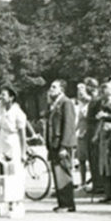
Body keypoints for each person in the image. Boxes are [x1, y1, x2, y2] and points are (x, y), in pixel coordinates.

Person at [0, 84, 27, 218]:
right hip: (2, 141)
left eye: (4, 95)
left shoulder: (18, 112)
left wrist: (24, 152)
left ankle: (17, 203)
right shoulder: (1, 108)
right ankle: (5, 203)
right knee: (2, 172)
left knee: (15, 173)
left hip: (13, 142)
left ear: (11, 97)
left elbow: (22, 134)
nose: (1, 97)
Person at [45, 79, 77, 213]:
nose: (51, 89)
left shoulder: (66, 103)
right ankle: (62, 202)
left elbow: (69, 125)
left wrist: (64, 146)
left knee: (63, 173)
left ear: (61, 89)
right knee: (57, 174)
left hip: (61, 144)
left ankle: (68, 203)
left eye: (54, 87)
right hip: (54, 144)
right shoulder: (54, 103)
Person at [84, 77, 104, 194]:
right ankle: (96, 183)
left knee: (96, 158)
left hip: (95, 131)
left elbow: (100, 120)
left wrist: (96, 134)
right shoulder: (92, 100)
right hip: (89, 130)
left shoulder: (98, 101)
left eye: (88, 86)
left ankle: (99, 184)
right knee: (91, 159)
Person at [74, 83, 91, 191]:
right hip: (81, 134)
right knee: (81, 160)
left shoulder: (90, 104)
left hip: (89, 134)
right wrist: (73, 131)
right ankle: (83, 181)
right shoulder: (80, 105)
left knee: (90, 159)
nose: (80, 95)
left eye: (81, 93)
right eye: (78, 93)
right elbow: (79, 121)